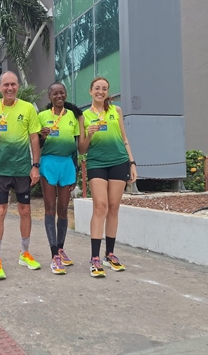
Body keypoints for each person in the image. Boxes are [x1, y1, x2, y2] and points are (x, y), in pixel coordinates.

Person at [0, 71, 42, 280]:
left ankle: (24, 253)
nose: (10, 88)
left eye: (13, 84)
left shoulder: (27, 108)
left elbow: (34, 138)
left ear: (18, 86)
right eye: (6, 85)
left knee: (25, 211)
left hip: (22, 169)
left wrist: (35, 166)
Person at [78, 77, 137, 278]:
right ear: (90, 91)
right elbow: (82, 148)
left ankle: (109, 254)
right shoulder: (84, 116)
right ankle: (94, 258)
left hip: (119, 161)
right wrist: (90, 134)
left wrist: (132, 162)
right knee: (100, 206)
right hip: (97, 163)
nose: (100, 92)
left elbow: (124, 138)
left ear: (107, 92)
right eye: (97, 88)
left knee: (114, 207)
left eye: (104, 89)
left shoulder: (116, 111)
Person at [38, 82, 82, 274]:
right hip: (48, 163)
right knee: (50, 207)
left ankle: (61, 248)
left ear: (65, 95)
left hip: (67, 164)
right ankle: (54, 254)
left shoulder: (71, 116)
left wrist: (75, 171)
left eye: (62, 93)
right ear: (50, 97)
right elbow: (35, 143)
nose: (59, 96)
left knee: (63, 209)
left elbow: (76, 145)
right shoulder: (42, 117)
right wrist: (42, 136)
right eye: (55, 93)